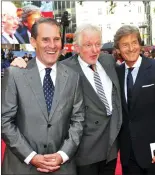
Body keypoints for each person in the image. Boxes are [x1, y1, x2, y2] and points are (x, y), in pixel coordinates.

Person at [10, 23, 122, 175]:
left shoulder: (108, 61)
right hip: (84, 152)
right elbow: (41, 69)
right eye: (88, 45)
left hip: (111, 148)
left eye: (97, 44)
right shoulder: (66, 69)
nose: (95, 50)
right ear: (76, 47)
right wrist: (19, 65)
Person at [1, 17, 85, 175]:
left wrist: (62, 155)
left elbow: (78, 121)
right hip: (22, 167)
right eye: (45, 39)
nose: (52, 46)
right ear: (33, 41)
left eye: (56, 39)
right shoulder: (15, 74)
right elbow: (4, 121)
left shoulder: (73, 77)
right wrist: (31, 156)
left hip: (62, 168)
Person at [115, 25, 155, 175]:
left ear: (140, 44)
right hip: (128, 154)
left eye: (134, 42)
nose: (131, 48)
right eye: (125, 44)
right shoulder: (116, 73)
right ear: (118, 49)